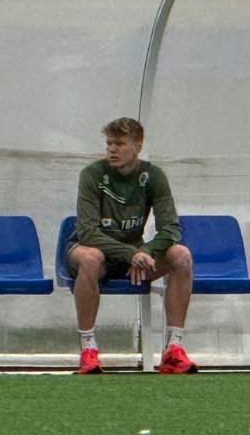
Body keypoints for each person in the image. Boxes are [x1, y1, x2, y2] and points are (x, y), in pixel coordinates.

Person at [65, 117, 197, 375]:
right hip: (91, 250)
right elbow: (88, 232)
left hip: (134, 255)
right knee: (90, 258)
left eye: (119, 143)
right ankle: (88, 351)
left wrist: (145, 251)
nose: (112, 149)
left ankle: (173, 349)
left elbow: (171, 228)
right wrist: (131, 253)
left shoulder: (153, 176)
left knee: (182, 256)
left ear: (137, 146)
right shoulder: (92, 175)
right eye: (109, 143)